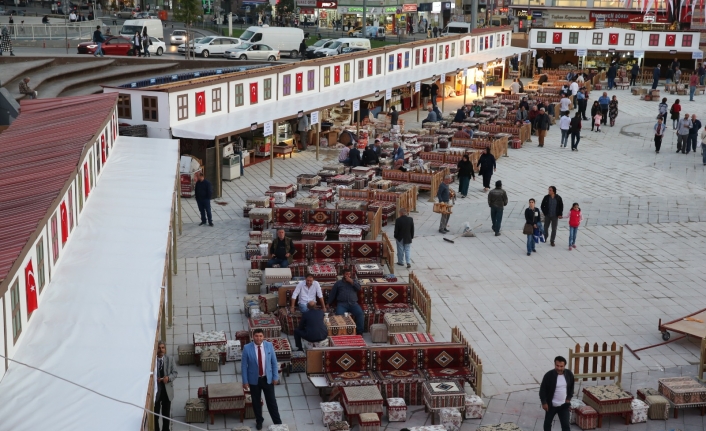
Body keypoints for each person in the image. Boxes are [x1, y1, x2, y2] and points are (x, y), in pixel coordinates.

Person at [242, 329, 282, 430]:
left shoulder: (269, 346)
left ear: (263, 337)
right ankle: (259, 421)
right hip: (254, 380)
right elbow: (243, 366)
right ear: (253, 337)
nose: (258, 338)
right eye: (256, 336)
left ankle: (277, 422)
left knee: (271, 402)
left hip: (267, 379)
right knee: (256, 402)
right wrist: (245, 381)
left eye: (260, 336)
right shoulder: (247, 348)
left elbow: (274, 362)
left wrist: (275, 377)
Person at [539, 356, 575, 431]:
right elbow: (542, 390)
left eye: (561, 366)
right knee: (547, 424)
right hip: (551, 405)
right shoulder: (548, 375)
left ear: (564, 366)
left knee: (566, 426)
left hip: (563, 405)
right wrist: (544, 402)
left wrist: (568, 399)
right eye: (557, 365)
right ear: (554, 364)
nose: (559, 368)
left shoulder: (569, 374)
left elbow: (571, 387)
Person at [327, 268, 364, 334]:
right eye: (346, 274)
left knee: (360, 314)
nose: (348, 275)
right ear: (343, 275)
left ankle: (359, 332)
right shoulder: (338, 283)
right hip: (342, 304)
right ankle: (342, 332)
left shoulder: (354, 281)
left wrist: (352, 282)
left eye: (349, 274)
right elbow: (333, 294)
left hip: (353, 304)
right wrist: (328, 303)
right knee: (339, 315)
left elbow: (359, 288)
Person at [154, 341, 177, 431]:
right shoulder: (153, 361)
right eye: (159, 348)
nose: (161, 350)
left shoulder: (170, 359)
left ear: (165, 349)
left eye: (163, 347)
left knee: (166, 415)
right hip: (156, 393)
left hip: (167, 392)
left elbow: (175, 373)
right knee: (155, 415)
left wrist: (168, 378)